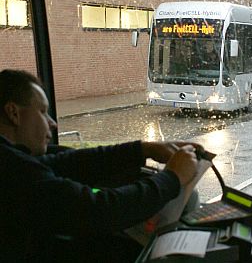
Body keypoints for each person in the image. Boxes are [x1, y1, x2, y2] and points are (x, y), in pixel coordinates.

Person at [0, 69, 206, 262]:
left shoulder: (15, 159)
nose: (52, 123)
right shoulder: (11, 169)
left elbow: (65, 162)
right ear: (14, 113)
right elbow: (96, 210)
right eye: (43, 112)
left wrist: (144, 149)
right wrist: (172, 177)